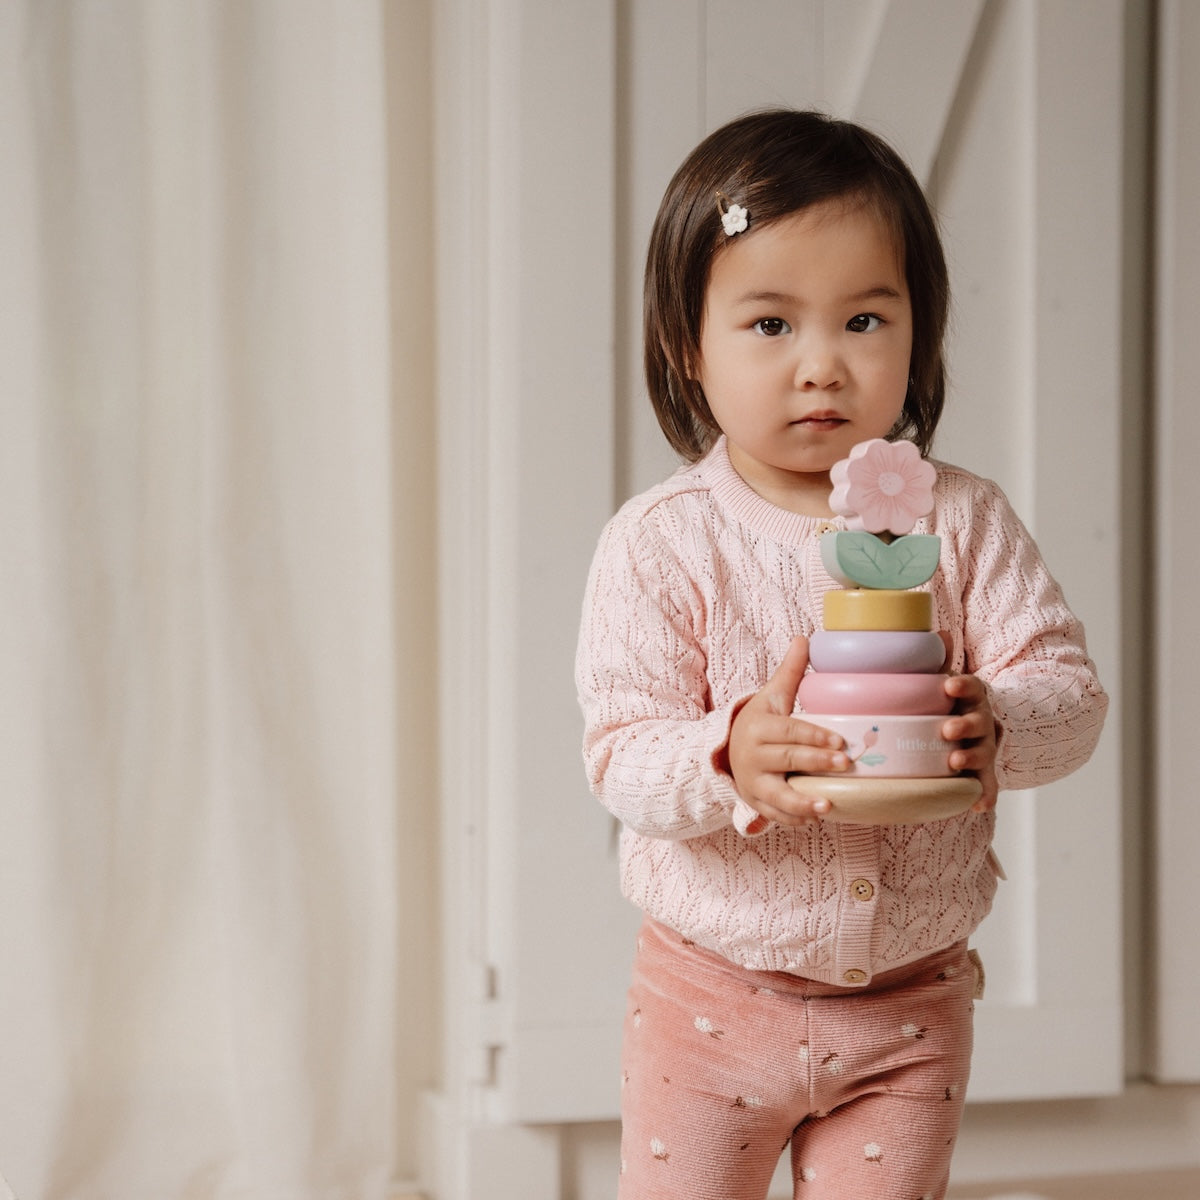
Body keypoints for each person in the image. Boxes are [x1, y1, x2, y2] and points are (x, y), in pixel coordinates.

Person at [575, 109, 1108, 1200]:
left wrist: (996, 720)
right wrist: (728, 755)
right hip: (707, 1003)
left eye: (865, 319)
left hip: (911, 1008)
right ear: (689, 344)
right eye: (770, 326)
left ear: (920, 333)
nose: (822, 366)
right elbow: (622, 755)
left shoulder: (961, 524)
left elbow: (1072, 696)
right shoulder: (662, 542)